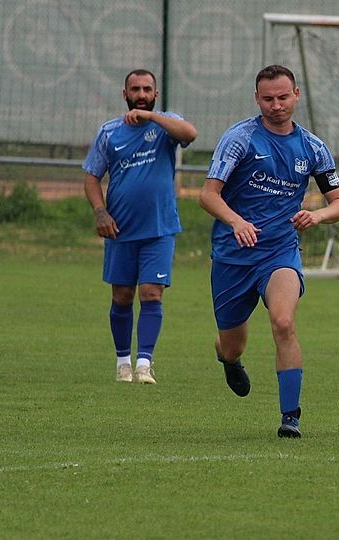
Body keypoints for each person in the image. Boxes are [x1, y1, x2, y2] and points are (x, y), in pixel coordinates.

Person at [199, 64, 339, 438]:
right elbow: (208, 194)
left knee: (283, 321)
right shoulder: (240, 139)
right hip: (233, 254)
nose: (277, 105)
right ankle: (228, 359)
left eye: (283, 97)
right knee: (233, 344)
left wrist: (317, 216)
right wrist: (236, 222)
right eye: (268, 99)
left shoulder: (313, 147)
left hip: (279, 252)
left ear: (296, 95)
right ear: (257, 99)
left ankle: (291, 417)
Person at [83, 69, 197, 385]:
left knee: (151, 292)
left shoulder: (165, 125)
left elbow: (190, 134)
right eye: (136, 89)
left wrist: (153, 118)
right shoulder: (109, 132)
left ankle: (144, 363)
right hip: (120, 228)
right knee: (121, 295)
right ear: (125, 94)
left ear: (155, 95)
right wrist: (100, 212)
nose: (142, 94)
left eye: (148, 89)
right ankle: (123, 363)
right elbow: (92, 177)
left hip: (159, 228)